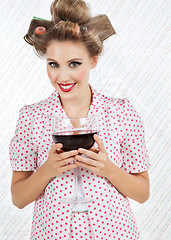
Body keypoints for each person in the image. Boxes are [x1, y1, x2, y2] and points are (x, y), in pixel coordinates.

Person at [9, 0, 150, 239]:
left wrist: (108, 169)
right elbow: (18, 198)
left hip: (114, 232)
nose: (62, 76)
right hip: (53, 233)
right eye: (54, 64)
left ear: (93, 60)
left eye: (74, 63)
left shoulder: (122, 113)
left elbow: (142, 193)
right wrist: (47, 170)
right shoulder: (31, 117)